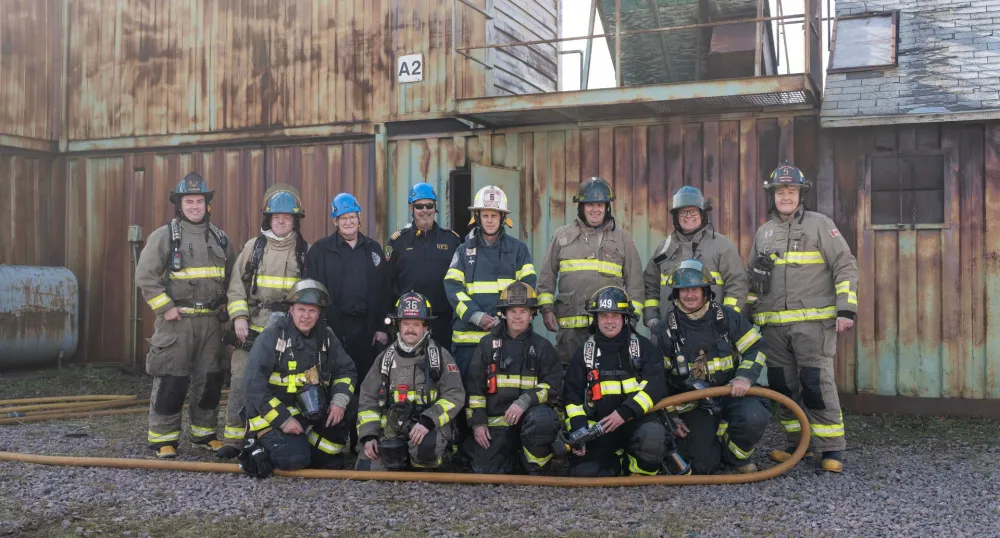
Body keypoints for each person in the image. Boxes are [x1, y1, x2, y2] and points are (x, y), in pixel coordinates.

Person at [748, 161, 858, 473]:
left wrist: (846, 308)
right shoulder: (763, 233)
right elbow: (754, 281)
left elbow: (845, 265)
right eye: (780, 192)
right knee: (783, 386)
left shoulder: (821, 225)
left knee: (815, 384)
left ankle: (830, 448)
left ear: (801, 194)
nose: (785, 196)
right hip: (773, 326)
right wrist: (747, 315)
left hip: (812, 323)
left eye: (791, 191)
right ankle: (798, 443)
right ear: (772, 195)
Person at [135, 171, 235, 459]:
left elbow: (235, 278)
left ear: (207, 204)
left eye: (199, 201)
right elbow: (145, 277)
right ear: (180, 204)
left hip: (211, 323)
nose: (194, 206)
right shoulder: (164, 236)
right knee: (171, 380)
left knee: (210, 380)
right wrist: (166, 307)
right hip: (175, 323)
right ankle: (163, 439)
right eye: (189, 201)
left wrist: (227, 308)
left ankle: (204, 434)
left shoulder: (220, 238)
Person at [217, 184, 308, 458]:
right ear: (268, 219)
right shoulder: (253, 248)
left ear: (295, 220)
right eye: (276, 217)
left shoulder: (305, 252)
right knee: (242, 381)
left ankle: (268, 436)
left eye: (287, 218)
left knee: (279, 385)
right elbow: (235, 287)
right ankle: (234, 439)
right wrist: (239, 319)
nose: (281, 222)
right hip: (252, 328)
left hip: (287, 333)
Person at [655, 260, 770, 475]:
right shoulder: (665, 330)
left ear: (706, 291)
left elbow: (757, 347)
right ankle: (712, 446)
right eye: (683, 290)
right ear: (676, 294)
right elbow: (657, 378)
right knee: (702, 466)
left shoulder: (727, 318)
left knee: (753, 416)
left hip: (731, 394)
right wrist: (672, 417)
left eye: (695, 289)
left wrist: (744, 377)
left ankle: (736, 458)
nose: (689, 296)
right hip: (693, 404)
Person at [238, 280, 357, 476]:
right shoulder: (272, 337)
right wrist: (284, 420)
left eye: (312, 311)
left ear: (319, 314)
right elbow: (254, 386)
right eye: (301, 310)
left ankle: (306, 447)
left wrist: (339, 402)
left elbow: (346, 370)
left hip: (310, 415)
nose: (306, 316)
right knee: (293, 459)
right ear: (291, 310)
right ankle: (256, 445)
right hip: (275, 416)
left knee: (332, 460)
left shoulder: (326, 337)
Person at [306, 192, 393, 453]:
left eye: (352, 217)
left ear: (359, 218)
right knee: (335, 385)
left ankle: (362, 441)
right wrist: (321, 329)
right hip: (333, 330)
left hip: (367, 332)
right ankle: (332, 441)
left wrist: (382, 328)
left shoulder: (374, 250)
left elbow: (385, 291)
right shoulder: (320, 251)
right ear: (335, 220)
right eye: (342, 218)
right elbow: (312, 292)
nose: (348, 222)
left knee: (367, 387)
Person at [536, 177, 644, 365]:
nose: (595, 210)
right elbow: (546, 277)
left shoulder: (623, 239)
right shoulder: (562, 236)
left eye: (600, 205)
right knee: (569, 376)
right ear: (581, 207)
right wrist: (546, 309)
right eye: (590, 205)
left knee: (609, 373)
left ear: (607, 207)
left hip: (609, 325)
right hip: (571, 329)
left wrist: (631, 320)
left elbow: (635, 283)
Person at [563, 286, 669, 477]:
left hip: (636, 424)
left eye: (615, 316)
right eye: (604, 316)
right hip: (599, 429)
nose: (609, 322)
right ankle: (617, 465)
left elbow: (656, 385)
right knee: (583, 472)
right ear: (596, 319)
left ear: (625, 319)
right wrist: (579, 431)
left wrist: (625, 412)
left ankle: (638, 474)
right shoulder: (585, 353)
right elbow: (572, 397)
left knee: (653, 438)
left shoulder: (642, 348)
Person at [355, 292, 465, 471]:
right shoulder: (385, 358)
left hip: (427, 427)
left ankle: (431, 457)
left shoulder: (439, 357)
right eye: (406, 323)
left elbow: (455, 395)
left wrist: (428, 421)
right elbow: (368, 399)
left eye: (416, 324)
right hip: (391, 430)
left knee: (425, 453)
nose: (410, 329)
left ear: (425, 327)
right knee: (366, 468)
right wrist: (369, 436)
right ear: (398, 325)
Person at [464, 282, 563, 474]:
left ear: (532, 314)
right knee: (486, 470)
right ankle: (508, 456)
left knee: (544, 420)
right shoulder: (486, 345)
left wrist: (525, 400)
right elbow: (475, 390)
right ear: (504, 313)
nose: (518, 316)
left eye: (523, 311)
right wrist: (477, 424)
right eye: (512, 311)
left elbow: (553, 386)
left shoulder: (543, 347)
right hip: (497, 424)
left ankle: (534, 465)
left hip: (531, 421)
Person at [444, 185, 536, 379]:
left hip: (506, 337)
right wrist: (476, 316)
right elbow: (453, 288)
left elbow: (527, 287)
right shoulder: (463, 251)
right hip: (468, 341)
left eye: (494, 215)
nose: (490, 220)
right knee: (468, 396)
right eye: (485, 215)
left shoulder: (518, 250)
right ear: (477, 217)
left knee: (502, 394)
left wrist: (504, 318)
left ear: (502, 218)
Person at [643, 186, 748, 336]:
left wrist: (726, 318)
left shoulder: (722, 246)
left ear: (703, 214)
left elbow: (738, 285)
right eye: (683, 212)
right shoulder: (663, 250)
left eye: (693, 211)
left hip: (712, 331)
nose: (688, 216)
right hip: (670, 334)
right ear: (676, 216)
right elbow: (650, 287)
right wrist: (652, 319)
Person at [387, 182, 462, 349]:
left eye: (429, 205)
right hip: (410, 322)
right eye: (419, 206)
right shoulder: (398, 242)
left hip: (444, 322)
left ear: (435, 207)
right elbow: (388, 282)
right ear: (411, 208)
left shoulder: (452, 240)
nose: (425, 210)